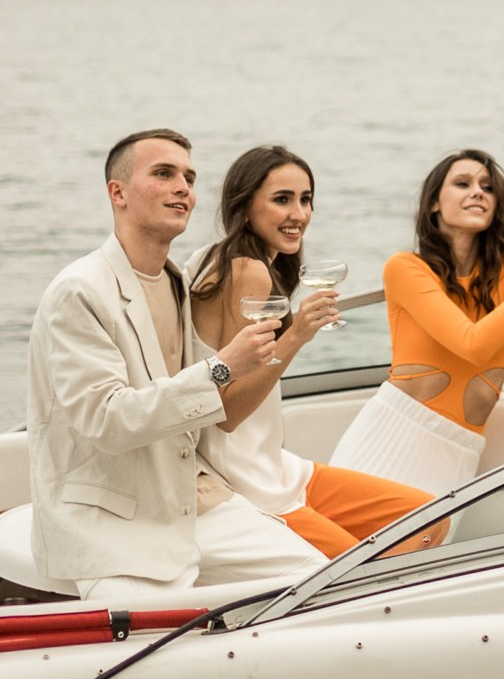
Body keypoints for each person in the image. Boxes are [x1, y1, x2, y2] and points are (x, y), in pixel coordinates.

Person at [26, 129, 326, 602]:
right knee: (142, 650)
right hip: (119, 520)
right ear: (117, 192)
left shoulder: (175, 279)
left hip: (196, 499)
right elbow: (107, 420)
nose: (183, 186)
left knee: (323, 584)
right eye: (163, 174)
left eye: (189, 176)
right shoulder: (79, 291)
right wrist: (223, 367)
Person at [185, 146, 437, 555]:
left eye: (306, 200)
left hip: (278, 467)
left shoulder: (214, 259)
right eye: (282, 200)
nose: (299, 214)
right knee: (369, 564)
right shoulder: (246, 271)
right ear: (245, 205)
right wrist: (297, 335)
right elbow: (227, 413)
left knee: (426, 517)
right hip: (247, 479)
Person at [329, 150, 504, 498]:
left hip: (460, 449)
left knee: (430, 551)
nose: (478, 192)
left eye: (487, 187)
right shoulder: (405, 269)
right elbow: (472, 344)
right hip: (392, 436)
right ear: (433, 205)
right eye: (463, 184)